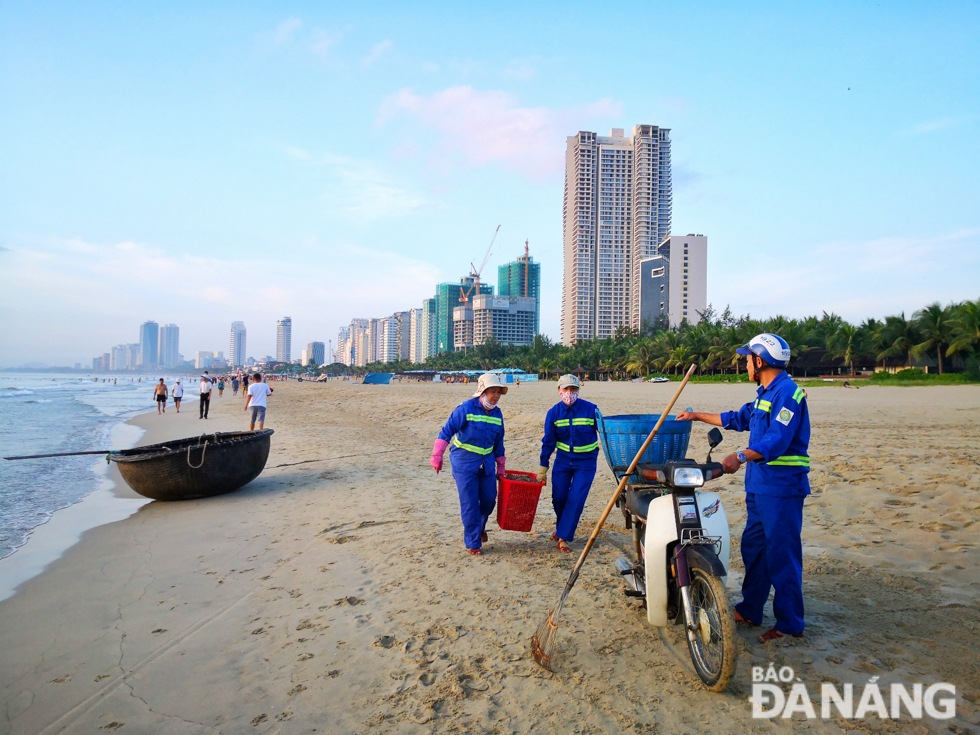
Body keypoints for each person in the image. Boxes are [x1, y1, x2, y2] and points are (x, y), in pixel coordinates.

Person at [677, 333, 811, 643]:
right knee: (754, 550)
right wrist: (696, 415)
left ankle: (790, 623)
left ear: (759, 361)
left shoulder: (788, 394)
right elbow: (738, 418)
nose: (745, 363)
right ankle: (751, 609)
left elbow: (776, 441)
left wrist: (740, 456)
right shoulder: (766, 392)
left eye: (747, 358)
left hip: (781, 488)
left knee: (782, 555)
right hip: (760, 487)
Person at [431, 373, 507, 556]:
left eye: (498, 392)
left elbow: (499, 442)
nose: (496, 396)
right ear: (482, 391)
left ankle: (479, 528)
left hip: (486, 464)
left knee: (489, 500)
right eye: (492, 391)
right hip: (464, 464)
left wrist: (501, 466)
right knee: (470, 503)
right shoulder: (465, 409)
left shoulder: (497, 414)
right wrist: (437, 455)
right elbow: (447, 431)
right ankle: (473, 542)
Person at [537, 375, 600, 553]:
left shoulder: (591, 410)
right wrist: (543, 466)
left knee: (575, 499)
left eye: (573, 389)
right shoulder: (554, 413)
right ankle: (561, 527)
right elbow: (548, 441)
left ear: (578, 390)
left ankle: (564, 537)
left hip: (586, 463)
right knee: (559, 498)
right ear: (559, 391)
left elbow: (606, 431)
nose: (569, 393)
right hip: (563, 461)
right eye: (566, 389)